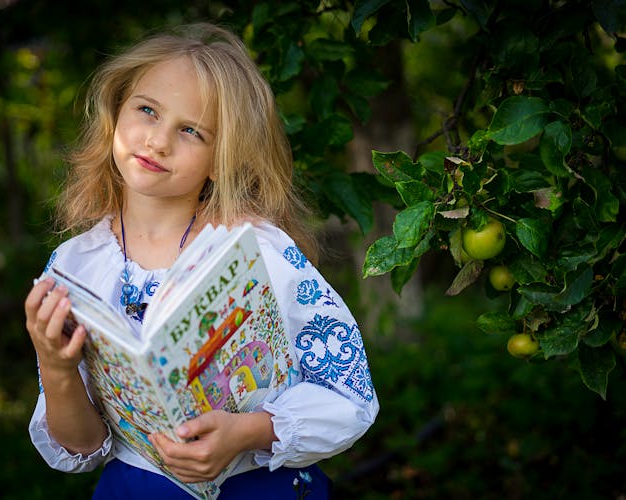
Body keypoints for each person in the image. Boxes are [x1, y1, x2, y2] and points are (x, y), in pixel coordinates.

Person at [24, 23, 379, 499]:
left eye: (190, 130)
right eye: (147, 110)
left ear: (222, 157)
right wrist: (57, 366)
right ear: (115, 112)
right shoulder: (75, 266)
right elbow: (80, 448)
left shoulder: (258, 252)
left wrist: (248, 432)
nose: (158, 141)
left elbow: (350, 399)